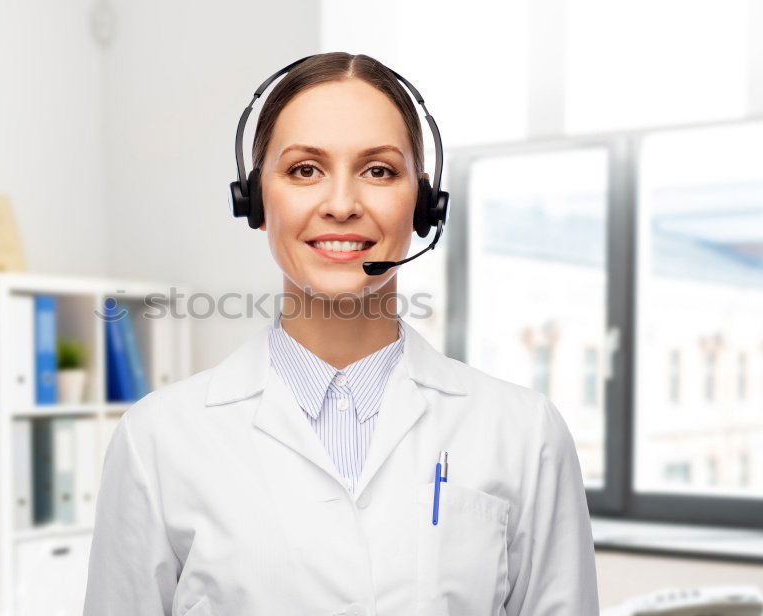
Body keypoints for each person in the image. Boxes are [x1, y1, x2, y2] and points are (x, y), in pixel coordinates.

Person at [83, 52, 599, 616]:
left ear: (424, 204)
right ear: (255, 199)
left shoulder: (524, 434)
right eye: (305, 170)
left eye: (378, 171)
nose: (341, 205)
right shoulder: (158, 440)